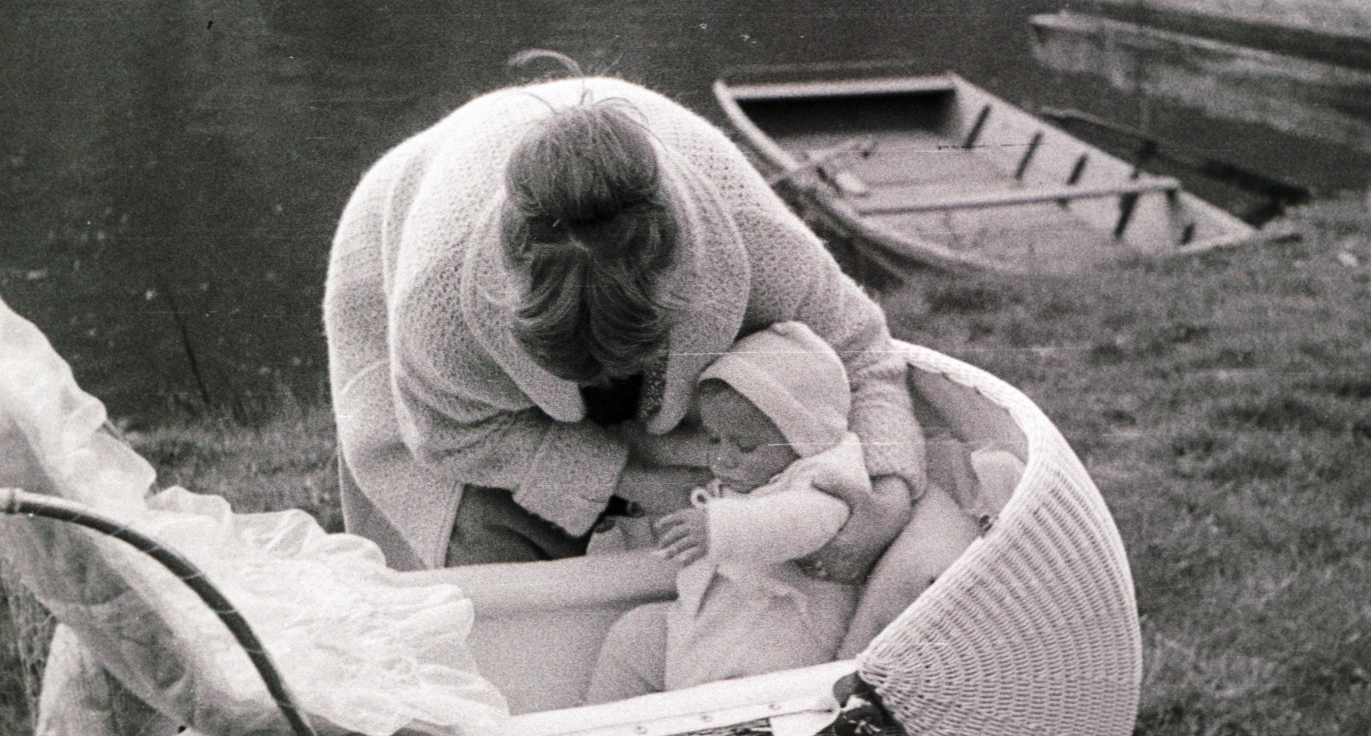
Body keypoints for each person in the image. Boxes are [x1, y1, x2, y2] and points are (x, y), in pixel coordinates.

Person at [322, 64, 925, 582]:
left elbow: (864, 354)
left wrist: (889, 501)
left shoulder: (748, 233)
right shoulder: (439, 297)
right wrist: (633, 480)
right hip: (409, 209)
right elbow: (451, 437)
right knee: (479, 557)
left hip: (659, 178)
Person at [585, 322, 867, 701]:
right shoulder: (752, 477)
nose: (722, 457)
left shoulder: (822, 474)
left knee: (718, 695)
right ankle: (601, 725)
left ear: (804, 435)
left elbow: (806, 521)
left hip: (775, 651)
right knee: (635, 634)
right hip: (701, 629)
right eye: (714, 438)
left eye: (745, 446)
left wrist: (721, 526)